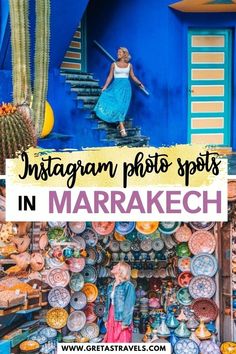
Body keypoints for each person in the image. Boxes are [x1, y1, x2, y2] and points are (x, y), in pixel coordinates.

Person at [94, 47, 145, 137]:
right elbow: (110, 77)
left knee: (122, 107)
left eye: (120, 52)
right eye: (118, 52)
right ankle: (122, 127)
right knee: (117, 105)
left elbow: (133, 77)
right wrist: (105, 87)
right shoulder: (113, 64)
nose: (118, 53)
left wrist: (139, 83)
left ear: (124, 54)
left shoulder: (130, 65)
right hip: (116, 87)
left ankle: (120, 124)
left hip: (126, 89)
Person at [103, 261, 136, 343]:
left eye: (117, 265)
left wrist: (125, 323)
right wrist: (106, 319)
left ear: (121, 270)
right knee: (111, 341)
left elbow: (129, 305)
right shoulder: (111, 285)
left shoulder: (128, 286)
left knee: (122, 341)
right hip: (111, 315)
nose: (114, 266)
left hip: (121, 317)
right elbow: (108, 304)